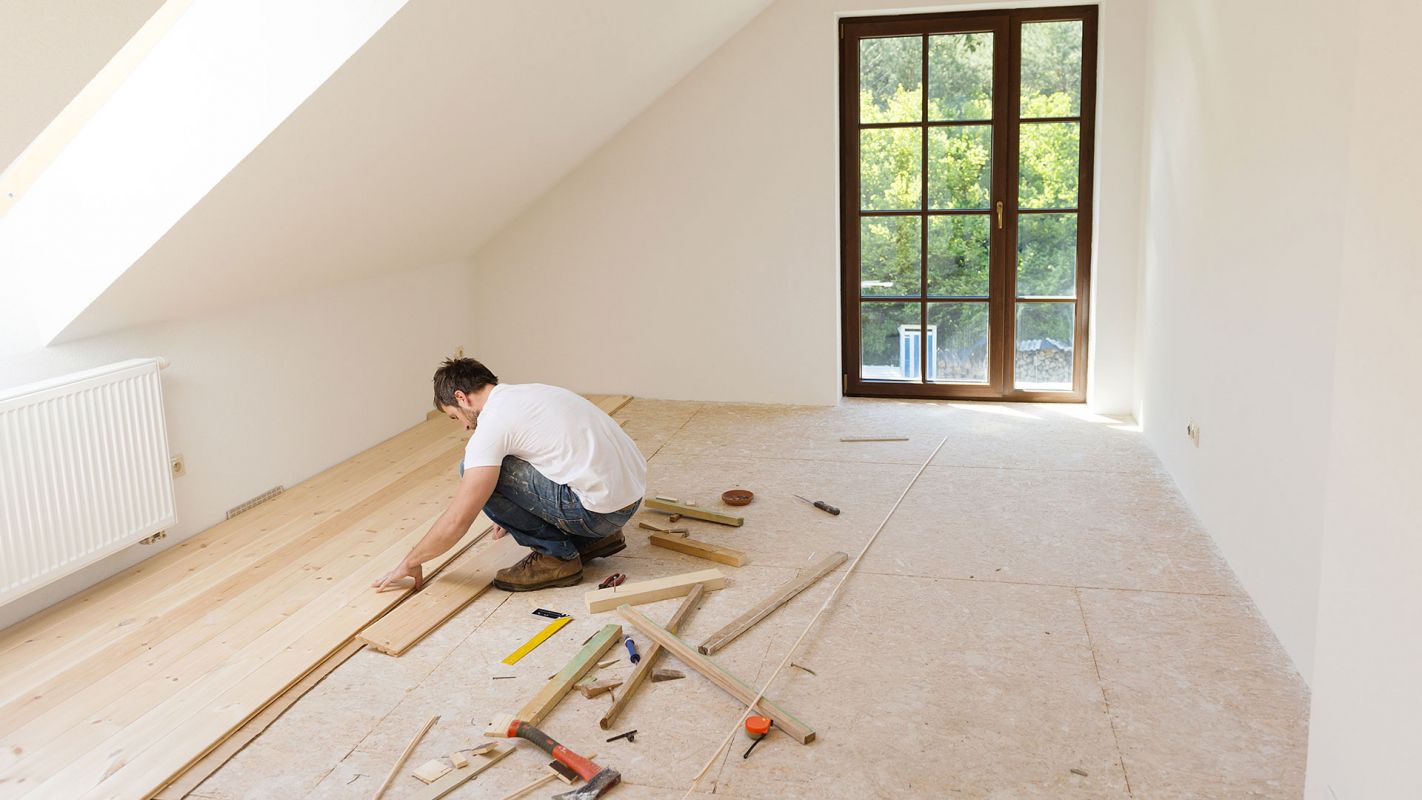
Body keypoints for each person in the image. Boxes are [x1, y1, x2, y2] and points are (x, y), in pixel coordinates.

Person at [372, 358, 646, 592]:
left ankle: (557, 557)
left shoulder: (493, 423)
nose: (466, 427)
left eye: (456, 417)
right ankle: (596, 540)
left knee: (471, 467)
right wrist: (518, 508)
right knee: (494, 466)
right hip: (629, 501)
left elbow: (458, 519)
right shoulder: (533, 392)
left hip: (598, 515)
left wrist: (411, 561)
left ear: (460, 397)